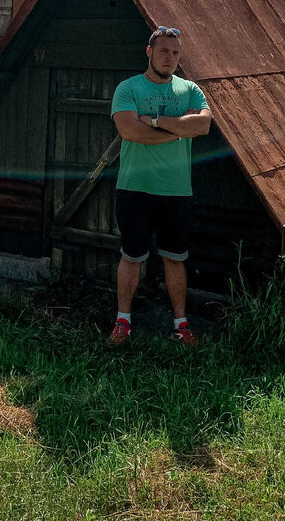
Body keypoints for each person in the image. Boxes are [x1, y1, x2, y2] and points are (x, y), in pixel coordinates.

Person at [108, 25, 211, 345]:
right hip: (135, 186)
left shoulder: (191, 89)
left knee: (175, 257)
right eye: (164, 51)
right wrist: (181, 128)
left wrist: (153, 120)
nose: (170, 58)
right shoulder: (128, 88)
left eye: (176, 53)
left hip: (176, 189)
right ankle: (123, 321)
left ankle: (181, 323)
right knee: (132, 256)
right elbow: (129, 132)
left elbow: (204, 124)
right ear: (150, 52)